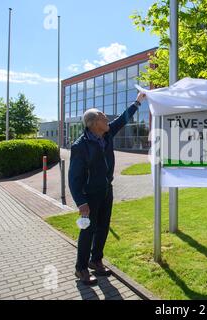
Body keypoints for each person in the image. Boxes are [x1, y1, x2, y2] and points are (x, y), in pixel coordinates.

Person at [69, 92, 146, 285]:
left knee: (103, 227)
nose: (107, 119)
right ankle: (81, 268)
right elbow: (74, 178)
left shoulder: (107, 134)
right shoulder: (80, 146)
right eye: (103, 117)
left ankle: (96, 261)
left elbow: (122, 119)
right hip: (89, 195)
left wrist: (137, 102)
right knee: (88, 231)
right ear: (94, 123)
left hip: (106, 191)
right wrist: (81, 202)